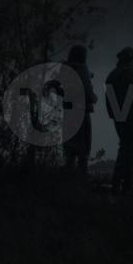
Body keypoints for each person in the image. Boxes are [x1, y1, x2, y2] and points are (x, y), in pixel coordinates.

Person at [105, 47, 133, 195]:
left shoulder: (111, 75)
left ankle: (116, 183)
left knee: (124, 148)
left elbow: (109, 99)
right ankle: (128, 184)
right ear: (131, 60)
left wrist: (113, 114)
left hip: (119, 119)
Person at [59, 45, 97, 176]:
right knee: (84, 148)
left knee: (70, 147)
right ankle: (81, 177)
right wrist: (94, 98)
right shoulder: (82, 69)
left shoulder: (64, 70)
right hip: (81, 112)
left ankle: (68, 177)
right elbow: (88, 93)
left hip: (68, 111)